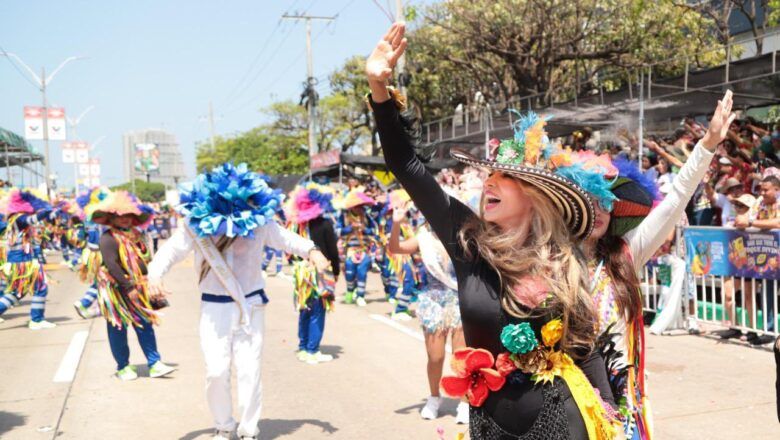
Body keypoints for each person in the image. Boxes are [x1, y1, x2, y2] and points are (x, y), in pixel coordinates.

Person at [369, 22, 620, 439]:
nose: (489, 182)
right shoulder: (467, 242)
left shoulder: (564, 258)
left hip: (562, 421)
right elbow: (408, 168)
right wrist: (380, 91)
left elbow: (586, 350)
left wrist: (611, 416)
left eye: (504, 177)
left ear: (537, 195)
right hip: (488, 423)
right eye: (488, 175)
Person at [581, 90, 733, 439]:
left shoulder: (625, 253)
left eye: (608, 201)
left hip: (617, 403)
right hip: (562, 399)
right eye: (592, 199)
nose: (602, 209)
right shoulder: (551, 260)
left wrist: (707, 144)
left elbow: (676, 200)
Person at [148, 163, 329, 440]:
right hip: (214, 307)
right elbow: (170, 252)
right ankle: (223, 425)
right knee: (216, 371)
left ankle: (248, 430)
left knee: (249, 369)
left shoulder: (260, 221)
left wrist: (313, 251)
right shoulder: (196, 225)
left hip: (251, 306)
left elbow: (286, 239)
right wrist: (155, 276)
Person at [388, 197, 469, 423]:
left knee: (461, 357)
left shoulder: (463, 236)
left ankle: (464, 402)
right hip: (434, 302)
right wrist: (396, 224)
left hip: (460, 300)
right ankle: (434, 397)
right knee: (436, 357)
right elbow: (395, 248)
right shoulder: (424, 238)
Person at [86, 190, 176, 380]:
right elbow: (112, 265)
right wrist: (129, 287)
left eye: (130, 216)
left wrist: (151, 282)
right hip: (117, 291)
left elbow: (146, 259)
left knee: (145, 324)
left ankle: (154, 363)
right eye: (121, 216)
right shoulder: (107, 238)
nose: (126, 219)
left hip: (139, 287)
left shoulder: (138, 236)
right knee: (118, 328)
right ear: (112, 218)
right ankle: (123, 366)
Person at [285, 183, 340, 364]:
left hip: (301, 272)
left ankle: (303, 347)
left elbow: (289, 253)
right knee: (317, 309)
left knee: (305, 308)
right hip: (320, 270)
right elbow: (332, 251)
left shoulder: (296, 226)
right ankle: (312, 350)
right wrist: (337, 273)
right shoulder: (324, 224)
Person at [0, 189, 55, 329]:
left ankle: (37, 319)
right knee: (41, 288)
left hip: (19, 261)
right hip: (22, 263)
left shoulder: (14, 219)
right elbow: (37, 218)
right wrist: (45, 208)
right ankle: (36, 319)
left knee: (17, 293)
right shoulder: (20, 219)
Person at [338, 188, 377, 307]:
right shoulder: (344, 217)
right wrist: (350, 228)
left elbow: (374, 231)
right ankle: (350, 291)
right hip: (349, 250)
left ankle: (360, 295)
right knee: (349, 273)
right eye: (358, 206)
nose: (360, 208)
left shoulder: (367, 217)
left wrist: (364, 229)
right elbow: (338, 231)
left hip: (364, 250)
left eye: (361, 206)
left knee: (362, 273)